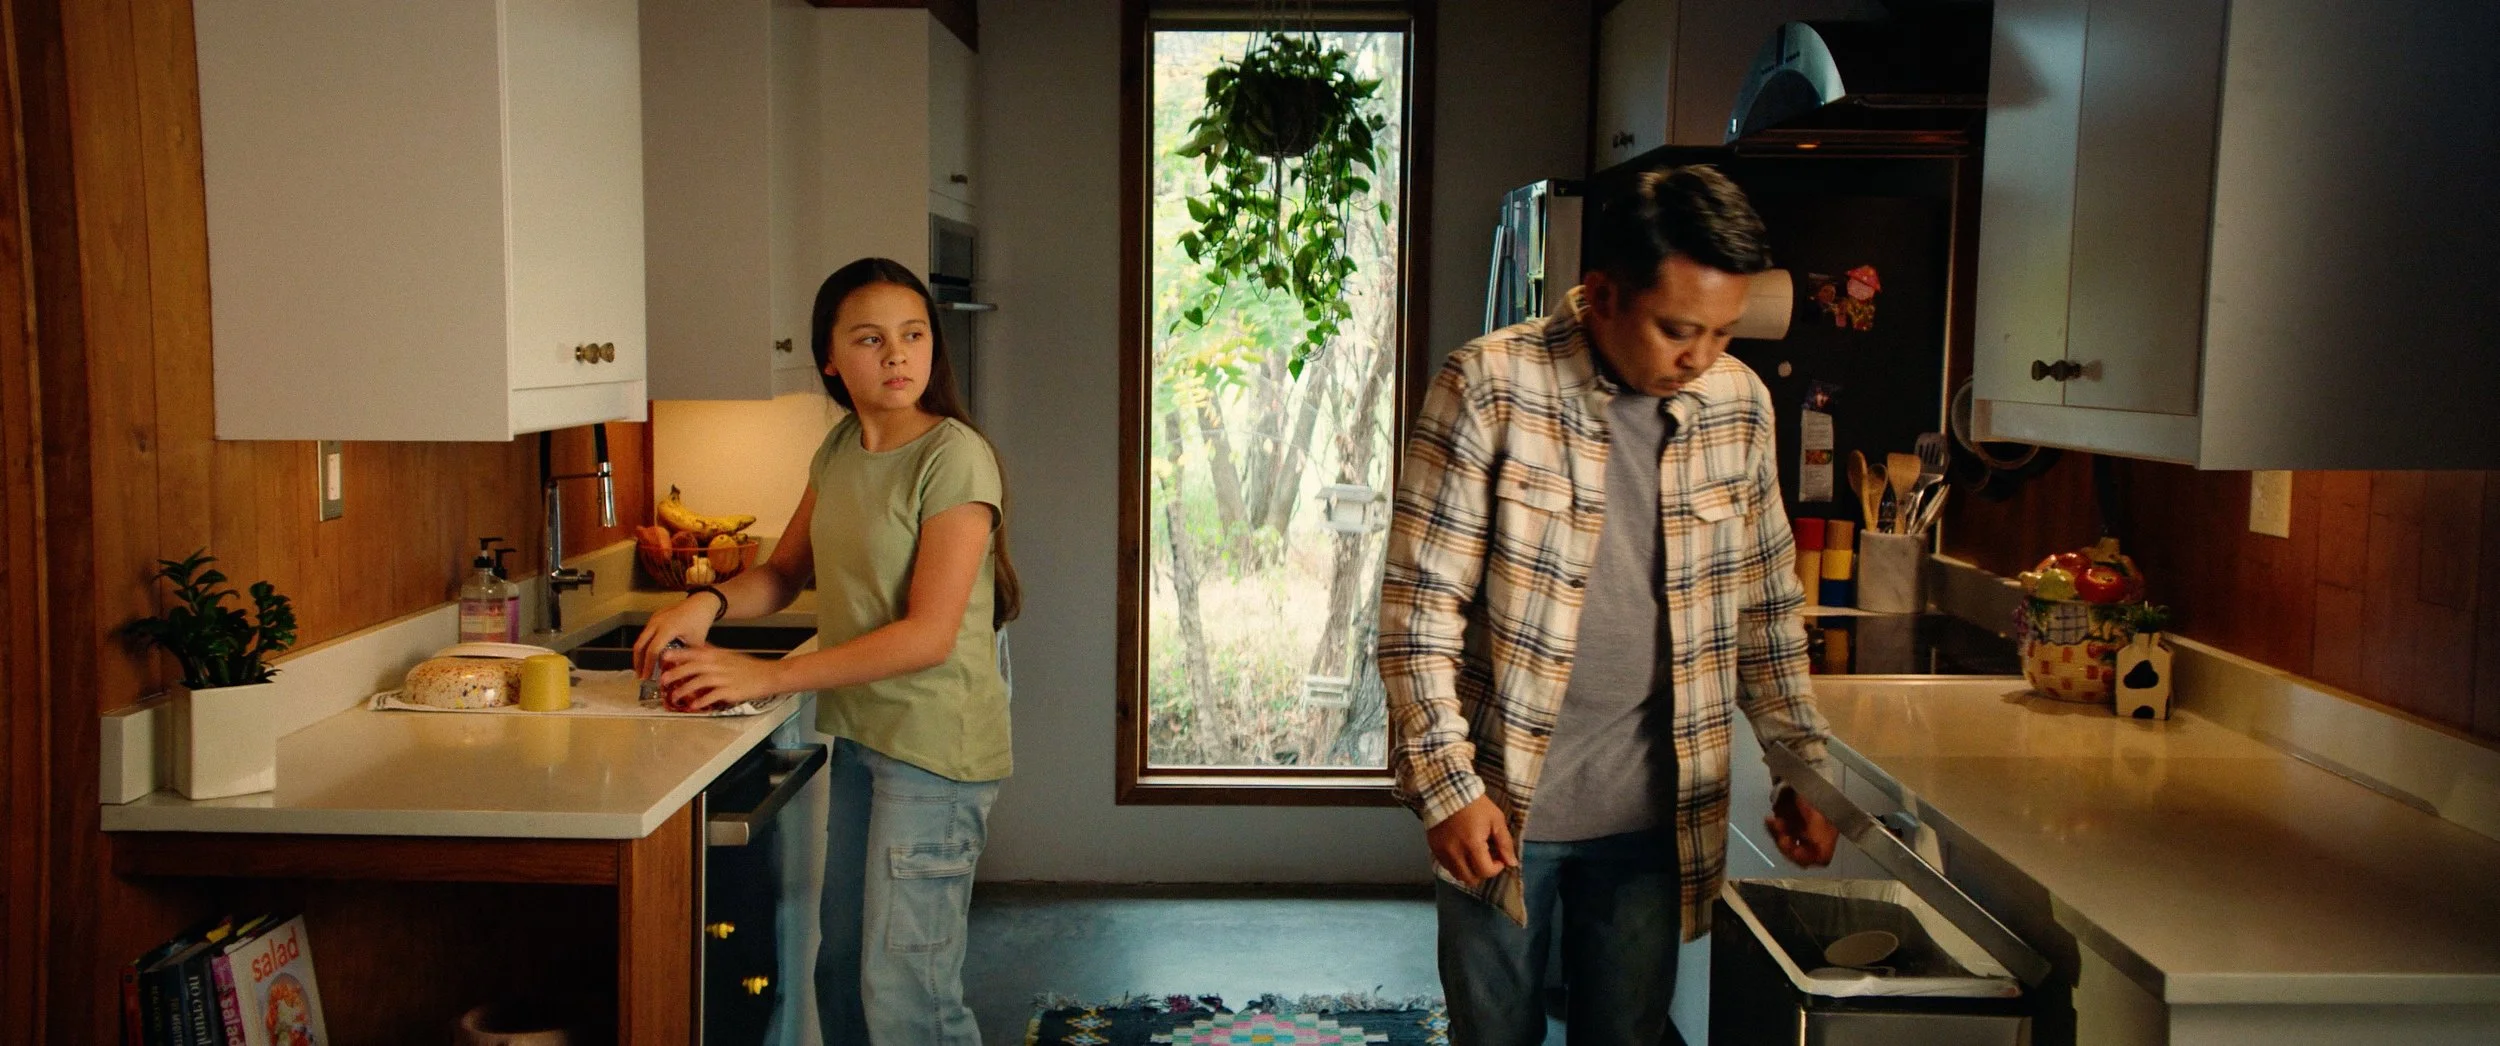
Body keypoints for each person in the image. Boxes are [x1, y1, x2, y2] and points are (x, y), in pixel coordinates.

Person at [1378, 166, 1839, 1046]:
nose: (1701, 358)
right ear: (1601, 295)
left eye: (1723, 332)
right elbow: (1417, 613)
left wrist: (1801, 770)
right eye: (1678, 330)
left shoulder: (1739, 404)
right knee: (1493, 1035)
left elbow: (1767, 612)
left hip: (1656, 818)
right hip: (1502, 805)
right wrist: (1446, 789)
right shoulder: (1490, 385)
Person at [634, 257, 1019, 1046]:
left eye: (913, 335)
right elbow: (782, 573)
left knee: (909, 995)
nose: (897, 355)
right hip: (867, 739)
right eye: (871, 339)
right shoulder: (840, 448)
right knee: (841, 974)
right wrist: (703, 604)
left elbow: (929, 635)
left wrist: (769, 674)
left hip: (935, 753)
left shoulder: (953, 457)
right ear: (830, 360)